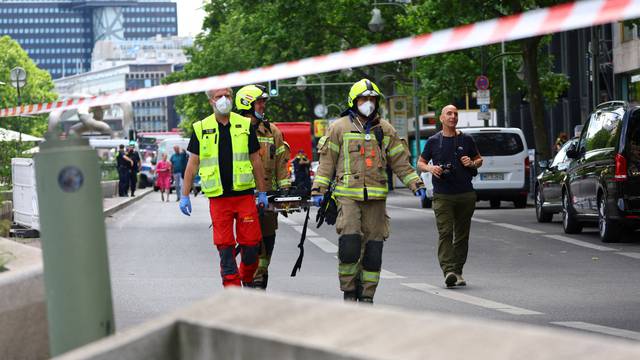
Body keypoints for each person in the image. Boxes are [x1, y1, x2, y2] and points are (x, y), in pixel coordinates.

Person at [311, 79, 425, 303]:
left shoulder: (385, 129)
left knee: (374, 249)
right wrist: (318, 189)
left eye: (372, 99)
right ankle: (349, 291)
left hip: (376, 198)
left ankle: (367, 295)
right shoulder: (339, 127)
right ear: (354, 101)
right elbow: (326, 163)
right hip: (347, 197)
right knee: (350, 246)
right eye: (364, 99)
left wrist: (416, 184)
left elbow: (400, 162)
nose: (369, 103)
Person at [179, 87, 268, 288]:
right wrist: (184, 195)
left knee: (252, 247)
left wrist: (262, 191)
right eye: (219, 96)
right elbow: (192, 164)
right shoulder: (201, 128)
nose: (224, 99)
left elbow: (256, 161)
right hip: (219, 199)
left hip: (244, 196)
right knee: (225, 250)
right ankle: (233, 291)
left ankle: (246, 277)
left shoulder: (244, 124)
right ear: (211, 101)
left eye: (228, 95)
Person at [417, 105, 483, 288]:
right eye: (449, 114)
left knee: (462, 235)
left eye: (455, 114)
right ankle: (449, 271)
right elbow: (420, 162)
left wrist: (472, 162)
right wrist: (431, 168)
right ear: (441, 118)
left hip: (465, 194)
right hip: (443, 196)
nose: (453, 116)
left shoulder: (467, 139)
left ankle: (458, 271)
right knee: (445, 232)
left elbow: (479, 160)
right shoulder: (433, 141)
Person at [235, 84, 291, 289]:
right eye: (259, 102)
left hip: (267, 199)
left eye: (263, 102)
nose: (263, 106)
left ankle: (260, 282)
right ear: (247, 104)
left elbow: (281, 164)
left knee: (267, 243)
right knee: (251, 246)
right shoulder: (236, 129)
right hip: (243, 198)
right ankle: (251, 283)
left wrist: (285, 192)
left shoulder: (272, 131)